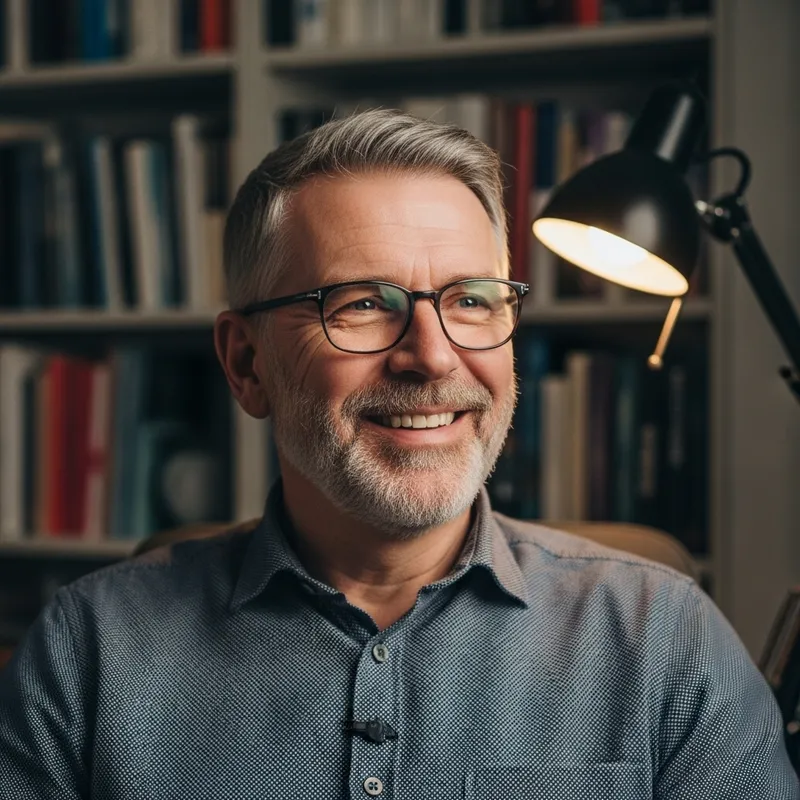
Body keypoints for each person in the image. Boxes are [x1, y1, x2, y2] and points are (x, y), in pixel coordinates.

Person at [0, 109, 797, 799]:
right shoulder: (88, 653)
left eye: (471, 301)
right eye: (361, 305)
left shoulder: (669, 645)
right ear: (246, 364)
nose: (434, 356)